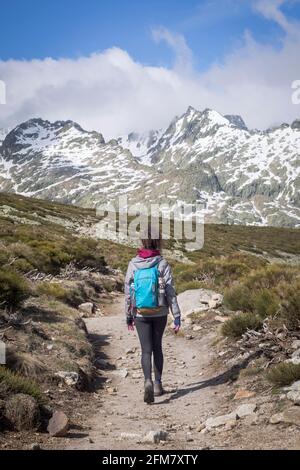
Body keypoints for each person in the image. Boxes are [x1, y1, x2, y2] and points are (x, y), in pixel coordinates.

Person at [124, 229, 181, 404]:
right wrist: (176, 315)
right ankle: (157, 384)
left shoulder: (133, 264)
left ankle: (147, 380)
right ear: (159, 243)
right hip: (160, 311)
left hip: (141, 313)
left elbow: (128, 292)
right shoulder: (162, 263)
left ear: (142, 242)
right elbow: (170, 292)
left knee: (146, 350)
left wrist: (128, 315)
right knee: (157, 348)